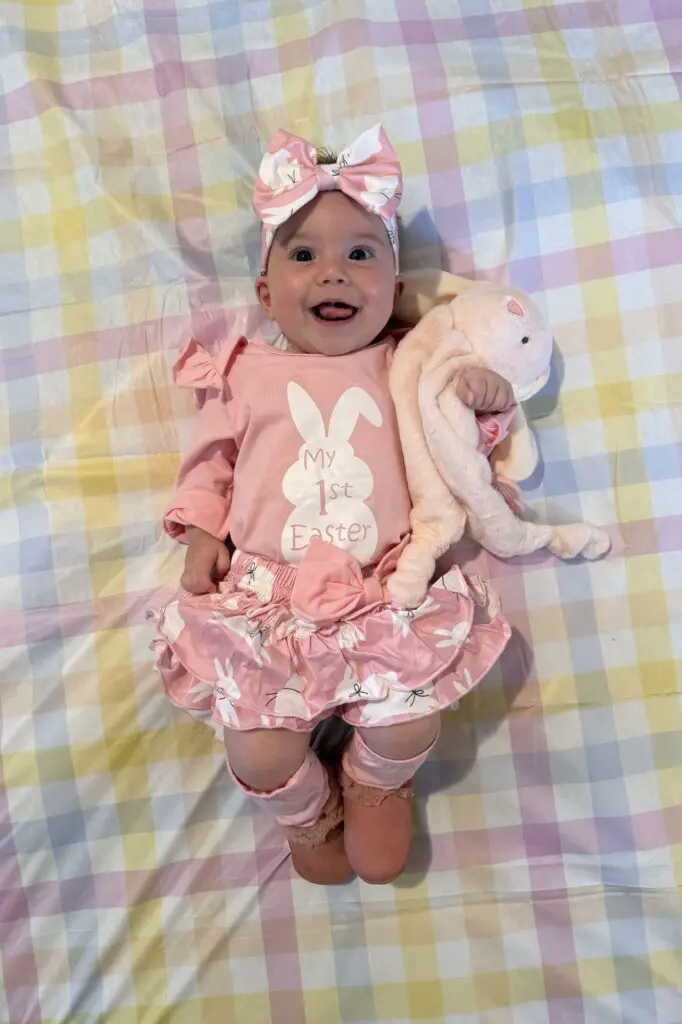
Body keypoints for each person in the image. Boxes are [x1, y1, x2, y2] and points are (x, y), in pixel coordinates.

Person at [153, 125, 513, 886]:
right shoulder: (245, 372)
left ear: (395, 286)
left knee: (409, 717)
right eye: (303, 256)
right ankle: (306, 812)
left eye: (360, 254)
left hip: (383, 589)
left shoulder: (406, 363)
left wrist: (482, 398)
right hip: (266, 598)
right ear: (264, 294)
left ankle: (375, 781)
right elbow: (212, 462)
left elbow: (454, 439)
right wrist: (202, 534)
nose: (333, 274)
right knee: (256, 745)